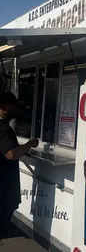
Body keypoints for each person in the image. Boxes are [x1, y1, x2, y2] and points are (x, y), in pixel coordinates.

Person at [0, 92, 39, 240]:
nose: (17, 108)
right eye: (14, 105)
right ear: (5, 107)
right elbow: (11, 153)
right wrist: (30, 144)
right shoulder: (3, 128)